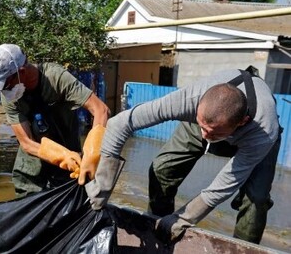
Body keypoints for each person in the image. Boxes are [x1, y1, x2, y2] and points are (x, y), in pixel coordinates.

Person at [86, 68, 282, 244]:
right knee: (162, 168)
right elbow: (120, 123)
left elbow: (223, 186)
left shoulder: (264, 132)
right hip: (209, 119)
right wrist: (102, 187)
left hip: (252, 137)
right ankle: (158, 226)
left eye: (213, 133)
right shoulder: (189, 100)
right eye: (203, 128)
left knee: (256, 198)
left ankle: (243, 247)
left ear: (242, 122)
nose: (206, 136)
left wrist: (183, 218)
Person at [0, 43, 110, 198]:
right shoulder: (10, 95)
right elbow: (26, 142)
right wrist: (60, 156)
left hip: (68, 147)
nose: (3, 91)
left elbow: (100, 110)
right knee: (27, 199)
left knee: (70, 195)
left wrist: (92, 153)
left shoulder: (56, 78)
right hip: (34, 152)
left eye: (6, 85)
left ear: (21, 72)